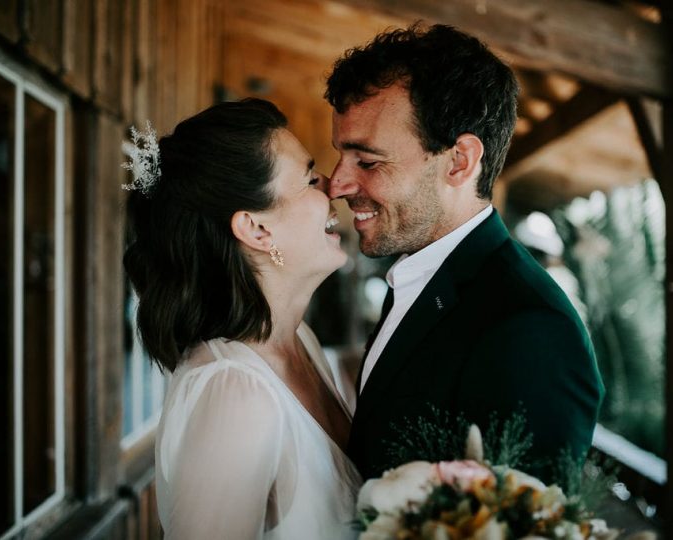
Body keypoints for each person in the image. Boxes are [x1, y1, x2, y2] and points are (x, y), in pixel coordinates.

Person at [325, 24, 604, 483]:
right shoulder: (418, 276)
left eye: (368, 161)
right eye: (341, 156)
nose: (338, 184)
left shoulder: (530, 330)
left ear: (458, 161)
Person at [123, 99, 361, 539]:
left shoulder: (299, 342)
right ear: (256, 229)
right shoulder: (234, 391)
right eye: (310, 178)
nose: (333, 187)